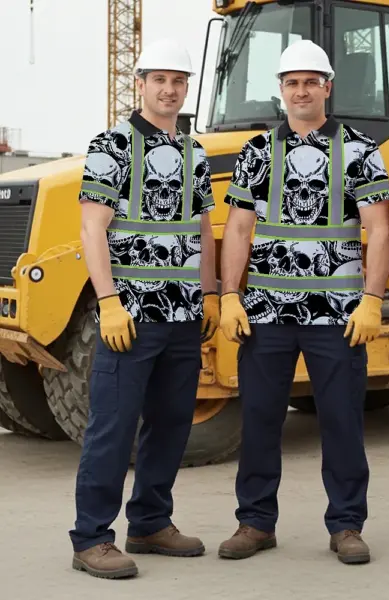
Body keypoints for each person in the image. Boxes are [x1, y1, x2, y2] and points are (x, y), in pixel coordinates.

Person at [217, 39, 389, 565]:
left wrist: (372, 299)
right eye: (292, 82)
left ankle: (347, 525)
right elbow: (238, 228)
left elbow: (380, 230)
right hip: (266, 314)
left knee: (342, 421)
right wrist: (229, 295)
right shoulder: (256, 152)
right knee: (260, 420)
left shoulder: (359, 150)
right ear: (280, 90)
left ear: (327, 88)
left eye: (310, 82)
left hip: (338, 316)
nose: (301, 91)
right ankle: (254, 523)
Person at [70, 38, 218, 579]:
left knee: (171, 423)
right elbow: (92, 228)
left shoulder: (194, 152)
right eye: (160, 80)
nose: (170, 90)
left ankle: (151, 522)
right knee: (113, 426)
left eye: (179, 81)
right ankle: (91, 538)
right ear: (140, 84)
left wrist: (209, 293)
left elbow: (202, 227)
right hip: (129, 316)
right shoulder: (111, 145)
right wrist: (109, 302)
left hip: (182, 315)